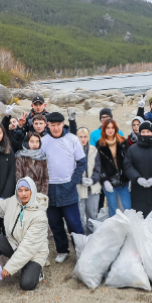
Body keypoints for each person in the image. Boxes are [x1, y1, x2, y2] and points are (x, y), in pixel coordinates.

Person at [41, 111, 87, 262]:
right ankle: (62, 250)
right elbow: (39, 164)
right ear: (47, 125)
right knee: (55, 223)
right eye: (52, 125)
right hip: (50, 188)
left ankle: (81, 250)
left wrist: (73, 181)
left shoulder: (72, 139)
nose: (55, 128)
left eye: (58, 125)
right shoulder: (43, 141)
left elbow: (81, 162)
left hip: (68, 187)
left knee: (74, 222)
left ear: (63, 124)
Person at [0, 179, 50, 291]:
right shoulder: (13, 201)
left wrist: (9, 268)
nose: (23, 194)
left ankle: (37, 271)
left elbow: (27, 247)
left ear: (33, 191)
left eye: (27, 190)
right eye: (20, 190)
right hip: (15, 244)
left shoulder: (40, 217)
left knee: (27, 284)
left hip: (34, 253)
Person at [125, 121, 152, 216]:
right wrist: (137, 178)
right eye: (143, 132)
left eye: (148, 131)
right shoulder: (132, 149)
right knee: (140, 218)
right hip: (138, 190)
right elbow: (128, 165)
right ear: (139, 133)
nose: (146, 134)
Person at [96, 119, 132, 216]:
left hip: (123, 180)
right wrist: (105, 180)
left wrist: (130, 178)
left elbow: (129, 161)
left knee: (127, 207)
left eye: (112, 127)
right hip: (109, 181)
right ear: (104, 129)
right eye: (108, 128)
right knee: (113, 209)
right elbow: (99, 165)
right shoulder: (100, 145)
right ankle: (115, 230)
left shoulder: (123, 142)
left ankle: (129, 229)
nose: (110, 130)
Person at [75, 127, 103, 233]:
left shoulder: (94, 150)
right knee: (80, 216)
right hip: (78, 188)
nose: (83, 139)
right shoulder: (73, 151)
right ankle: (81, 240)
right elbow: (70, 170)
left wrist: (93, 180)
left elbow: (98, 169)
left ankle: (92, 239)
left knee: (92, 216)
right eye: (80, 137)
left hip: (93, 187)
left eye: (85, 137)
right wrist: (80, 179)